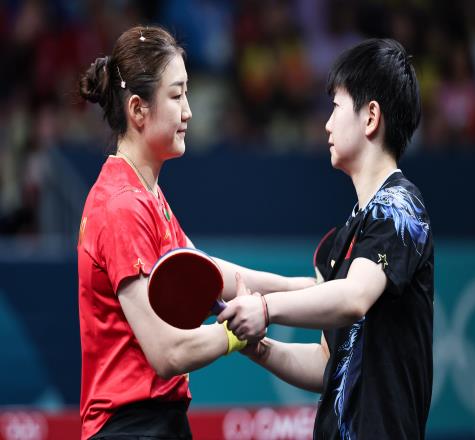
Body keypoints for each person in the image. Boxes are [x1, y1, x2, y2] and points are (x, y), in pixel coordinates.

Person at [77, 25, 313, 440]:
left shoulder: (146, 194)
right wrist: (236, 333)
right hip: (128, 428)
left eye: (187, 94)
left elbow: (206, 272)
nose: (188, 112)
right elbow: (167, 351)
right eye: (176, 96)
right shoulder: (121, 205)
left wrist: (303, 287)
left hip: (160, 422)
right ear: (138, 110)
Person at [218, 38, 433, 440]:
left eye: (336, 107)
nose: (327, 124)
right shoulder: (348, 234)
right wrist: (258, 348)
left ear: (371, 117)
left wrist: (264, 309)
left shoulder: (400, 208)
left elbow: (353, 297)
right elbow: (325, 362)